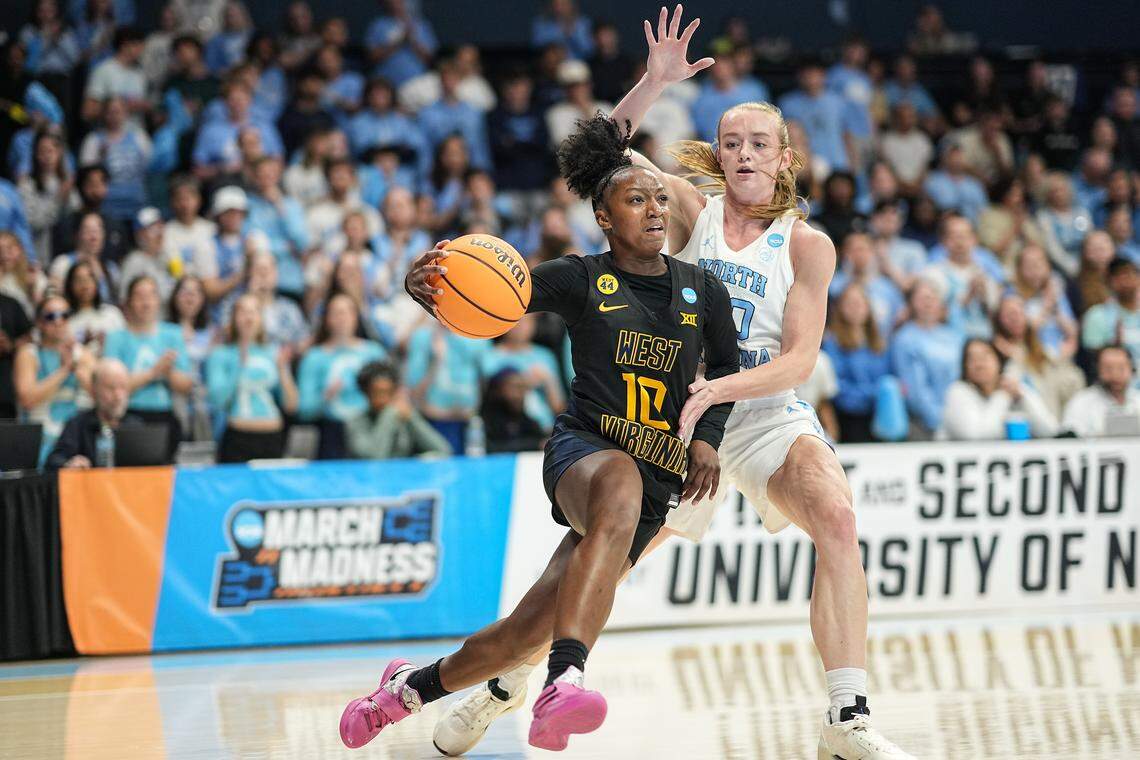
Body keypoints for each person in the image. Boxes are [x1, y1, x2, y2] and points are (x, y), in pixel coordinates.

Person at [432, 10, 915, 759]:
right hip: (670, 425)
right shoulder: (692, 211)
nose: (743, 152)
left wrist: (718, 391)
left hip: (759, 412)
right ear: (718, 157)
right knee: (592, 570)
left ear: (785, 159)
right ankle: (502, 688)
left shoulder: (809, 246)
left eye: (758, 142)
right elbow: (600, 164)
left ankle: (846, 718)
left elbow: (799, 359)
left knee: (838, 519)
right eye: (730, 142)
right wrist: (653, 82)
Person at [340, 111, 737, 753]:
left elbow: (725, 369)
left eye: (660, 198)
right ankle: (564, 681)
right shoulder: (582, 277)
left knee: (524, 630)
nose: (655, 210)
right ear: (605, 218)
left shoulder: (703, 289)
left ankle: (403, 691)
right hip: (587, 449)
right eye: (636, 200)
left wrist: (707, 438)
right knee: (618, 480)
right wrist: (433, 290)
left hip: (660, 472)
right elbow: (499, 293)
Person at [103, 275, 193, 456]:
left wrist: (168, 372)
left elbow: (186, 385)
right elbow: (111, 386)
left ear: (159, 300)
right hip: (127, 414)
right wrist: (154, 372)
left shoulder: (173, 334)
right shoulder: (116, 338)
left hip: (165, 414)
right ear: (128, 302)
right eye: (139, 296)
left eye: (151, 295)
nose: (146, 302)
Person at [205, 292, 297, 462]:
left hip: (272, 436)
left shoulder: (274, 352)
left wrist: (283, 370)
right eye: (243, 311)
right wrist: (239, 365)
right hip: (237, 437)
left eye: (254, 311)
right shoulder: (221, 354)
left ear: (261, 318)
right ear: (233, 318)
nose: (248, 317)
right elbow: (218, 400)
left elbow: (291, 405)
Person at [297, 292, 386, 459]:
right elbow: (304, 409)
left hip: (369, 429)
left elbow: (390, 394)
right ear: (327, 319)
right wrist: (325, 396)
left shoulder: (374, 352)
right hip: (331, 432)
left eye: (347, 312)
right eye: (336, 313)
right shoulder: (314, 357)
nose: (342, 318)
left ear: (355, 317)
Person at [14, 294, 95, 463]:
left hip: (75, 440)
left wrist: (80, 371)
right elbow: (27, 399)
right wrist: (65, 370)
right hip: (39, 440)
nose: (58, 322)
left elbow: (101, 397)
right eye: (51, 316)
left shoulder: (82, 354)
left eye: (64, 315)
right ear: (39, 322)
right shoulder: (28, 354)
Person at [941, 339, 1057, 441]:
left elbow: (1050, 430)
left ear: (999, 361)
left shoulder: (1015, 389)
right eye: (972, 359)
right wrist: (1002, 395)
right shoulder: (958, 391)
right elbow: (976, 437)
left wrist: (1023, 397)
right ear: (964, 367)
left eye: (984, 356)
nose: (979, 364)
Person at [891, 278, 964, 439]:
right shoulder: (905, 338)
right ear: (912, 304)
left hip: (959, 415)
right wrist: (938, 421)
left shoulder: (954, 336)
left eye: (932, 297)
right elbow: (915, 388)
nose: (928, 302)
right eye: (922, 298)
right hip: (925, 424)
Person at [45, 357, 150, 469]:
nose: (118, 396)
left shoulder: (136, 426)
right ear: (94, 390)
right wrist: (70, 464)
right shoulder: (77, 424)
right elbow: (54, 460)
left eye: (123, 387)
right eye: (111, 388)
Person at [823, 284, 891, 443]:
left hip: (878, 413)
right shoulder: (832, 342)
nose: (856, 308)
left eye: (860, 303)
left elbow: (886, 378)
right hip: (848, 416)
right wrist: (871, 394)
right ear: (840, 308)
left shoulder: (878, 341)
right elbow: (836, 386)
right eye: (850, 303)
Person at [344, 359, 450, 459]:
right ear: (365, 393)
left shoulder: (406, 416)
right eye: (377, 393)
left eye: (389, 392)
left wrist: (412, 418)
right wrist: (389, 414)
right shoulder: (356, 422)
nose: (383, 399)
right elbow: (374, 458)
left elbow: (443, 450)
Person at [1062, 345, 1140, 437]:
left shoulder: (1138, 400)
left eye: (1121, 368)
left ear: (1132, 369)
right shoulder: (1081, 402)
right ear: (1097, 370)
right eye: (1108, 369)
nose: (1115, 375)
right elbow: (1069, 437)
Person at [1081, 257, 1140, 366]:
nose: (1126, 281)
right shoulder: (1097, 315)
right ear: (1109, 282)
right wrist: (1115, 347)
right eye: (1120, 276)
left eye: (1130, 274)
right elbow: (1091, 358)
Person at [481, 367, 549, 453]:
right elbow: (487, 448)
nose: (520, 394)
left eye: (523, 388)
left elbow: (542, 441)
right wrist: (534, 445)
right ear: (498, 390)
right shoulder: (484, 421)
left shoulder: (527, 422)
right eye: (514, 387)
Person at [64, 259, 125, 349]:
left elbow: (125, 345)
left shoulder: (112, 314)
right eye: (79, 280)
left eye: (90, 278)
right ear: (70, 286)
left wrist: (109, 343)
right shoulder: (64, 320)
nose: (85, 284)